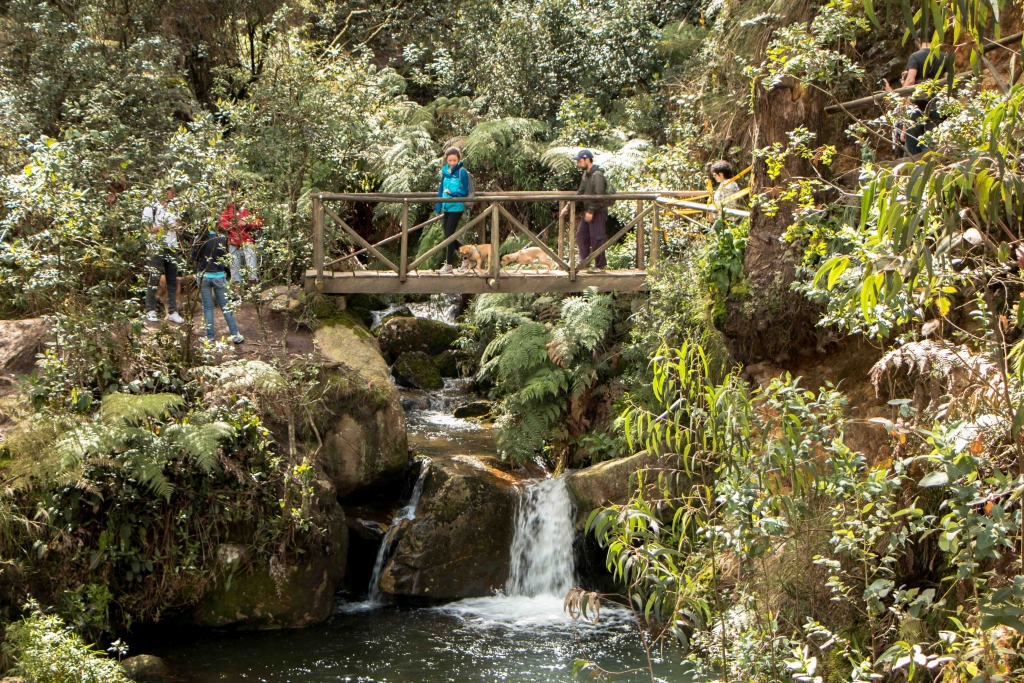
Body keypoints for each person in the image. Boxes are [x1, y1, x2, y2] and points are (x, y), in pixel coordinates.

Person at [884, 39, 952, 155]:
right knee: (931, 142)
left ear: (918, 40)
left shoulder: (915, 57)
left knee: (912, 146)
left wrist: (904, 90)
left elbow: (910, 80)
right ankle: (930, 165)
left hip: (917, 103)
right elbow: (949, 80)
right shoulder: (943, 57)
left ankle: (913, 169)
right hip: (937, 102)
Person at [191, 226, 244, 344]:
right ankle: (235, 334)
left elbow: (193, 257)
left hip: (203, 275)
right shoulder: (221, 238)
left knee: (207, 307)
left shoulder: (199, 238)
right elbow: (226, 259)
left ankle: (209, 338)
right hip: (219, 276)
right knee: (225, 306)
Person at [559, 149, 610, 271]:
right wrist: (568, 206)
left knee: (597, 238)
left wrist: (591, 211)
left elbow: (598, 195)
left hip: (597, 211)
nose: (578, 164)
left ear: (587, 160)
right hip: (588, 211)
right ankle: (583, 263)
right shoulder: (586, 175)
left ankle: (600, 266)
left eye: (580, 161)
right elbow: (580, 192)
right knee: (581, 235)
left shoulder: (597, 175)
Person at [143, 185, 184, 323]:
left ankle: (172, 311)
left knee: (172, 279)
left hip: (172, 246)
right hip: (156, 246)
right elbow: (147, 228)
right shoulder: (150, 207)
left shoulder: (174, 206)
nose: (173, 195)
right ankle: (150, 310)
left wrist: (177, 225)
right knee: (154, 277)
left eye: (173, 192)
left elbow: (179, 223)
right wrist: (165, 226)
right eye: (171, 192)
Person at [219, 181, 263, 292]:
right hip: (233, 242)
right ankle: (237, 296)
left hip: (248, 241)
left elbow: (259, 223)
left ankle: (254, 294)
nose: (229, 193)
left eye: (230, 190)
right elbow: (222, 223)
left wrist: (246, 223)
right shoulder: (229, 207)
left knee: (252, 269)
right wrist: (231, 224)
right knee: (234, 271)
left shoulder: (251, 206)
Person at [435, 147, 471, 273]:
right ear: (446, 160)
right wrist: (438, 208)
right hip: (446, 206)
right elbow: (440, 191)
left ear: (458, 159)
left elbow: (465, 191)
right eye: (449, 160)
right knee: (448, 235)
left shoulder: (462, 172)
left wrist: (452, 193)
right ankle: (467, 258)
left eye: (454, 160)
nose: (452, 162)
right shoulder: (445, 172)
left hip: (456, 207)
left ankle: (448, 265)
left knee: (449, 236)